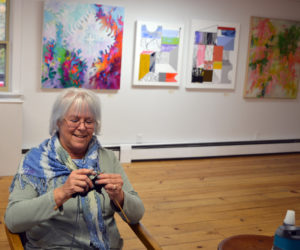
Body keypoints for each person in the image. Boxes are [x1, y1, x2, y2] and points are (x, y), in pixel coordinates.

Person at [5, 88, 145, 250]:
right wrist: (61, 193)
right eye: (74, 120)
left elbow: (136, 215)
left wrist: (119, 197)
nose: (82, 127)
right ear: (58, 122)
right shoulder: (35, 160)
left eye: (89, 121)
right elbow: (13, 220)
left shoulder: (107, 158)